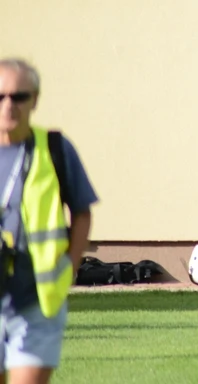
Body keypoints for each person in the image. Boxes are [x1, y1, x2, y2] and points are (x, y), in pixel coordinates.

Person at [0, 59, 98, 383]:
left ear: (35, 100)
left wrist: (71, 265)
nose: (9, 105)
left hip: (36, 301)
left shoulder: (53, 148)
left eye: (19, 97)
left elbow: (82, 211)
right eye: (0, 97)